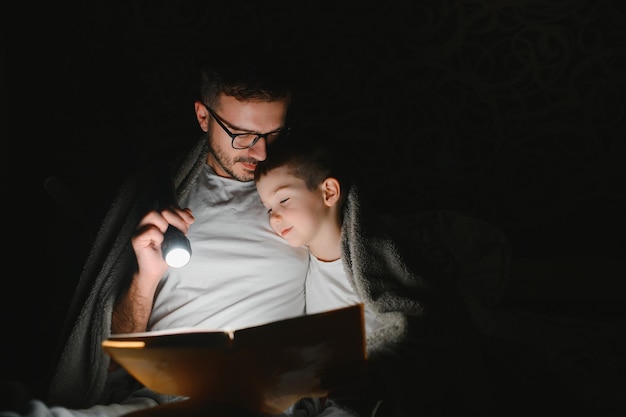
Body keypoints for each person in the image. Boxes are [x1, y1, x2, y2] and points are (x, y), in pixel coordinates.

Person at [1, 52, 333, 417]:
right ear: (203, 117)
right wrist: (146, 276)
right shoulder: (157, 194)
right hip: (165, 396)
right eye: (242, 135)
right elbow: (110, 363)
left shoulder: (304, 196)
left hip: (260, 395)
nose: (262, 151)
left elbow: (351, 287)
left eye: (273, 133)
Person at [254, 132, 513, 416]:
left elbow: (427, 327)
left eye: (284, 200)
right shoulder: (298, 265)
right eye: (268, 208)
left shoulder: (377, 253)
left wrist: (378, 375)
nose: (274, 217)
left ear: (328, 192)